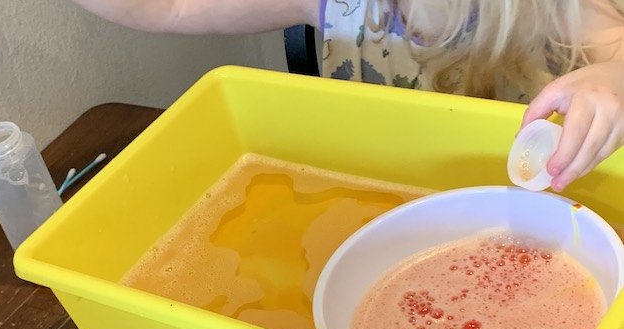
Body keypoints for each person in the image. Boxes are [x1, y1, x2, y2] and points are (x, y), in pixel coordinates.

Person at [71, 0, 624, 192]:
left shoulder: (560, 8)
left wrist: (612, 80)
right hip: (382, 197)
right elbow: (171, 8)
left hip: (531, 215)